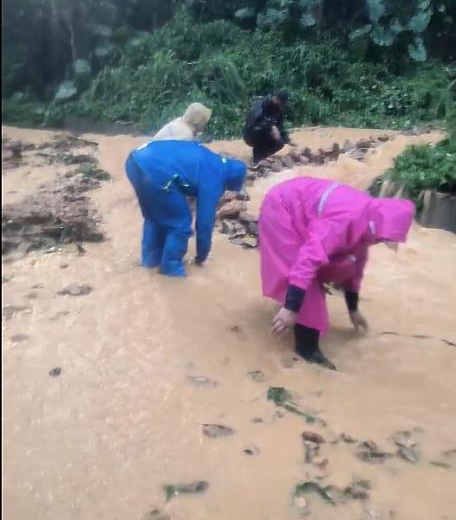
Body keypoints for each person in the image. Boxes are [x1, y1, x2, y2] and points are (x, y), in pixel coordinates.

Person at [259, 177, 415, 370]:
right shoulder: (345, 220)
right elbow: (307, 261)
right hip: (282, 209)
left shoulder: (367, 219)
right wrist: (291, 308)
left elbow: (357, 264)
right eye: (384, 239)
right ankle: (306, 350)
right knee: (306, 282)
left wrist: (353, 309)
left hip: (302, 208)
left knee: (346, 263)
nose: (382, 242)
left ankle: (296, 311)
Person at [125, 140, 246, 277]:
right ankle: (171, 272)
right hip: (156, 172)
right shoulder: (215, 177)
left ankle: (149, 263)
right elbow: (204, 224)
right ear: (231, 181)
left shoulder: (210, 157)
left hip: (134, 161)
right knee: (180, 224)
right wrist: (202, 257)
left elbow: (185, 180)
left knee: (154, 218)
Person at [243, 90, 291, 165]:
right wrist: (271, 126)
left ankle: (264, 156)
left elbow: (280, 127)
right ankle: (257, 159)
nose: (280, 105)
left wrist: (287, 138)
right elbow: (253, 122)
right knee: (260, 131)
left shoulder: (279, 110)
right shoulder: (260, 104)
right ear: (275, 98)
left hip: (267, 133)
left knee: (280, 142)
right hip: (251, 134)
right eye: (279, 102)